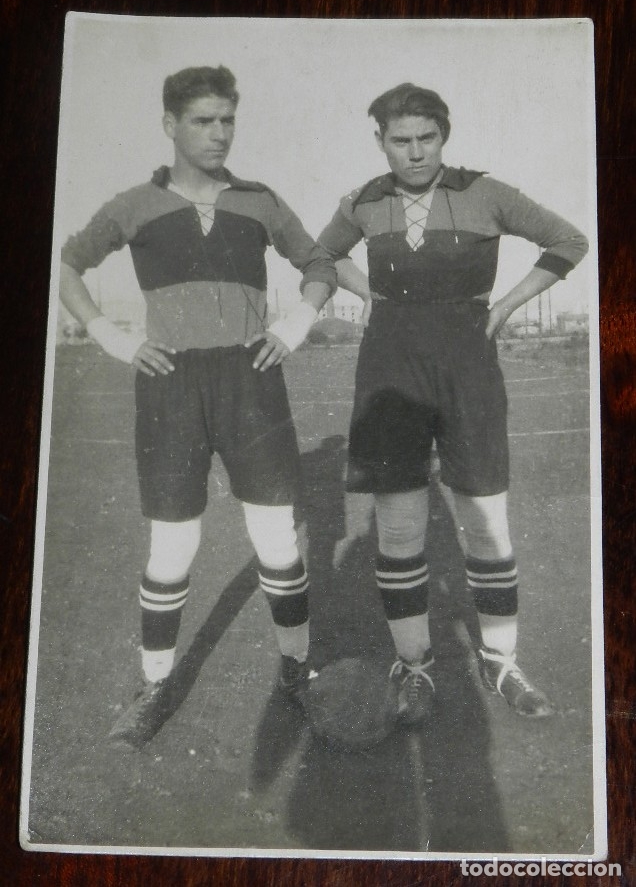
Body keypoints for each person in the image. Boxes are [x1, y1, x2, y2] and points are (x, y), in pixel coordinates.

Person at [60, 66, 336, 746]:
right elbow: (67, 265)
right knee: (172, 545)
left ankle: (296, 671)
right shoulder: (133, 204)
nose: (218, 133)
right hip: (169, 383)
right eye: (202, 121)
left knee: (276, 540)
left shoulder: (260, 200)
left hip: (251, 378)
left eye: (227, 120)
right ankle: (154, 684)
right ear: (170, 126)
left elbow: (321, 266)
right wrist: (112, 337)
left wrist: (292, 328)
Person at [318, 83, 588, 725]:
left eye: (427, 138)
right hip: (390, 366)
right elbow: (320, 254)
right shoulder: (361, 201)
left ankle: (501, 662)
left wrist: (503, 306)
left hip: (469, 364)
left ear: (445, 135)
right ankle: (415, 668)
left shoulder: (487, 193)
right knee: (401, 528)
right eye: (400, 140)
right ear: (379, 140)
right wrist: (368, 295)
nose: (414, 153)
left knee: (486, 520)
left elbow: (569, 241)